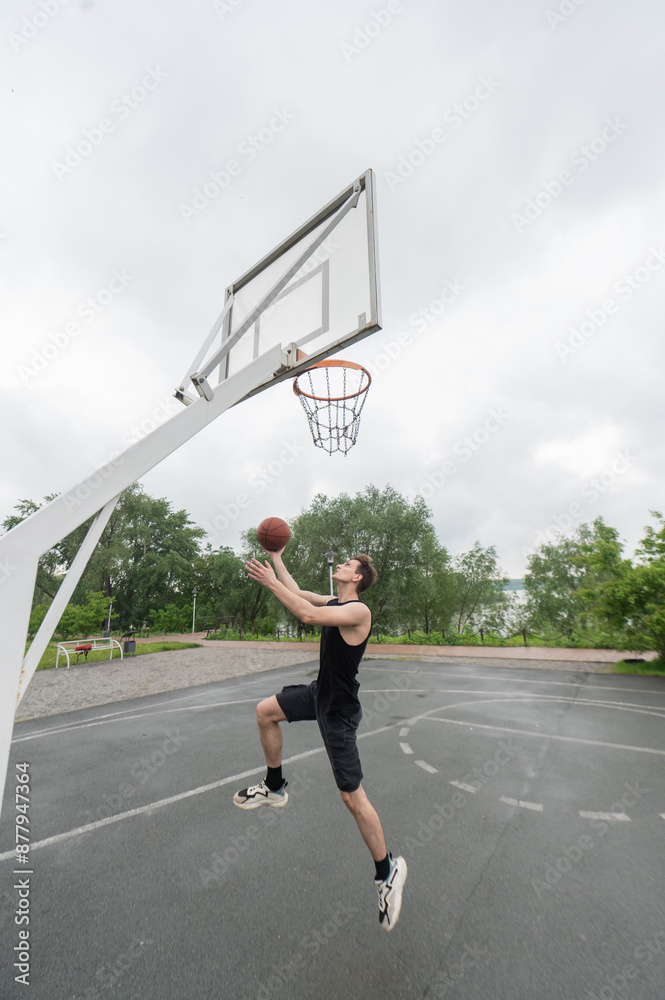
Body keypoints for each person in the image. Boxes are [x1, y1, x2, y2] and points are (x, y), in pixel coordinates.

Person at [234, 547, 407, 932]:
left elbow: (306, 614)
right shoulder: (334, 601)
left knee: (352, 798)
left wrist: (269, 583)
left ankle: (387, 872)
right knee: (265, 712)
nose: (341, 565)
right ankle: (274, 787)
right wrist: (277, 559)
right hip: (320, 694)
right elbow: (299, 594)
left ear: (357, 577)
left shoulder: (359, 612)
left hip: (339, 710)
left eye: (348, 564)